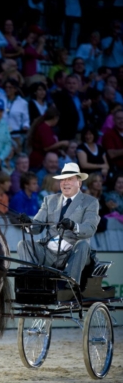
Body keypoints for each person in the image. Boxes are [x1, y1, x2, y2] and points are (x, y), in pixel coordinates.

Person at [17, 163, 100, 300]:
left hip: (73, 253)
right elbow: (37, 227)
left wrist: (73, 226)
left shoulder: (90, 202)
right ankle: (32, 283)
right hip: (49, 252)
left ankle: (69, 284)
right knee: (23, 244)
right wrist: (27, 224)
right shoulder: (49, 200)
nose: (65, 183)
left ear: (79, 182)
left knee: (83, 244)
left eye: (70, 179)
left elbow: (90, 229)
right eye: (63, 179)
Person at [27, 106, 68, 171]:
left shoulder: (48, 128)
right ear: (55, 118)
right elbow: (46, 147)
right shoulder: (43, 128)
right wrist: (61, 143)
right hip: (39, 163)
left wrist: (59, 152)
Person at [102, 108, 123, 175]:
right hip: (117, 170)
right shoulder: (109, 134)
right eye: (119, 118)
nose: (121, 121)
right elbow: (111, 154)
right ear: (113, 120)